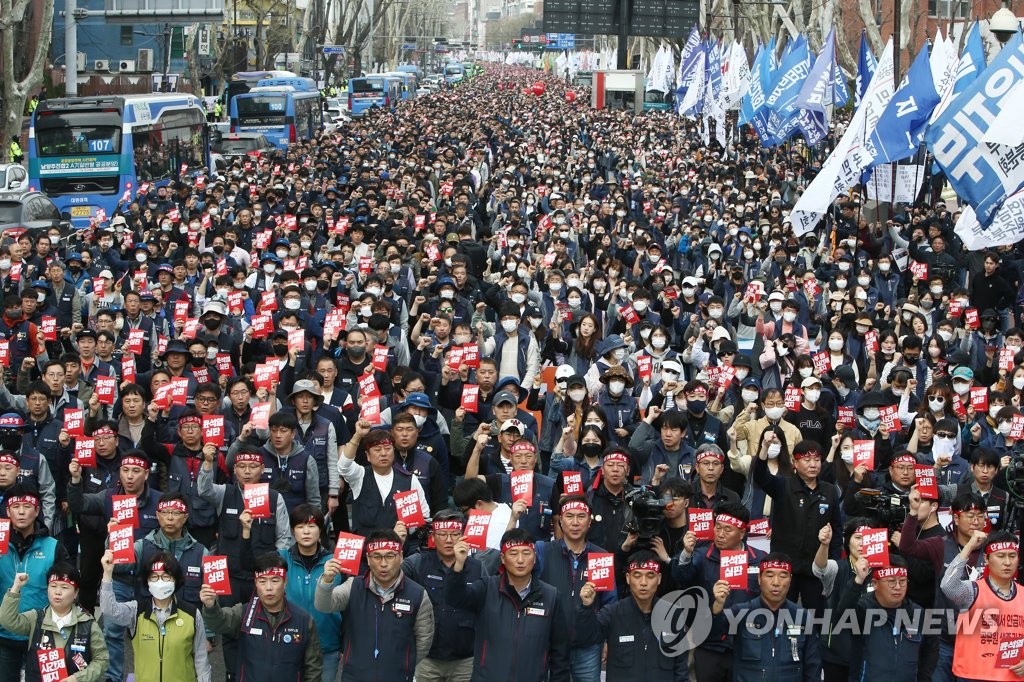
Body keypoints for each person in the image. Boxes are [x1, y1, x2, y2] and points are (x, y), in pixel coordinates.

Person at [445, 528, 570, 682]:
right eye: (513, 553)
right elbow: (454, 598)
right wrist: (458, 565)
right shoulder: (487, 588)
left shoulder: (551, 596)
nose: (520, 560)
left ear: (535, 557)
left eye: (526, 553)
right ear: (503, 558)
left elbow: (560, 654)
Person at [314, 529, 433, 682]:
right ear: (368, 559)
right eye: (377, 556)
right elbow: (323, 605)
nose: (384, 564)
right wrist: (326, 581)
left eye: (390, 555)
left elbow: (424, 640)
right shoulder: (353, 586)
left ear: (401, 557)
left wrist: (403, 663)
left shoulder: (417, 594)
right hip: (355, 676)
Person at [202, 552, 323, 682]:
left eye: (275, 580)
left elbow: (313, 667)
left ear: (285, 582)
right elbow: (219, 621)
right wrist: (211, 606)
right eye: (262, 581)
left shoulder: (303, 620)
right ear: (256, 583)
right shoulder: (244, 613)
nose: (269, 588)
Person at [99, 550, 211, 682]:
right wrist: (107, 573)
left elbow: (201, 659)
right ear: (147, 581)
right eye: (154, 577)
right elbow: (109, 610)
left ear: (175, 579)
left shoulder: (191, 614)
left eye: (166, 576)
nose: (160, 582)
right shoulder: (136, 611)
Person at [577, 550, 689, 682]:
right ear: (628, 578)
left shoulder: (673, 615)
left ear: (659, 579)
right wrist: (586, 607)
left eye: (650, 576)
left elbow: (681, 668)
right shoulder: (612, 613)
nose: (643, 582)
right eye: (637, 575)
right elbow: (586, 638)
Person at [709, 551, 822, 681]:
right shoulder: (740, 613)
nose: (776, 582)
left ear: (790, 580)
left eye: (783, 576)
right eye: (769, 575)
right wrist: (717, 606)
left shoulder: (803, 617)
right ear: (759, 578)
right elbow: (713, 637)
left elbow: (813, 666)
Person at [401, 510, 485, 682]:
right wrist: (397, 543)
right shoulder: (418, 562)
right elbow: (389, 578)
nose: (448, 540)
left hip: (465, 660)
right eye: (442, 534)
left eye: (455, 534)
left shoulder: (478, 567)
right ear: (433, 536)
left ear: (463, 535)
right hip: (428, 659)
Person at [0, 485, 69, 682]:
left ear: (37, 510)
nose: (21, 512)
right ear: (7, 511)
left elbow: (68, 589)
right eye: (16, 506)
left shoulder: (53, 546)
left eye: (27, 506)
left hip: (44, 634)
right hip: (3, 635)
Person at [0, 564, 107, 682]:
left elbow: (102, 660)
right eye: (53, 586)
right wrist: (16, 587)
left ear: (76, 593)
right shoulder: (35, 618)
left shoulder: (88, 624)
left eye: (65, 587)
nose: (58, 592)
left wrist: (78, 678)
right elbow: (7, 620)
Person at [941, 530, 1024, 681]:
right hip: (973, 675)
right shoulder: (972, 590)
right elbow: (948, 586)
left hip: (1011, 677)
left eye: (1012, 556)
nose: (1007, 562)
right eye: (1000, 556)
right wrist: (970, 546)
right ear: (986, 558)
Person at [275, 504, 343, 682]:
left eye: (311, 526)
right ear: (292, 531)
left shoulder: (336, 563)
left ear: (320, 530)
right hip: (288, 641)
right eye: (300, 526)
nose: (306, 531)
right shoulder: (281, 559)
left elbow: (348, 604)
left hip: (327, 644)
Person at [840, 556, 923, 682]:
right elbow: (841, 618)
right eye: (891, 581)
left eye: (902, 581)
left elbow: (929, 653)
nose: (897, 587)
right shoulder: (863, 610)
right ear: (875, 584)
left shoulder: (917, 613)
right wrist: (858, 580)